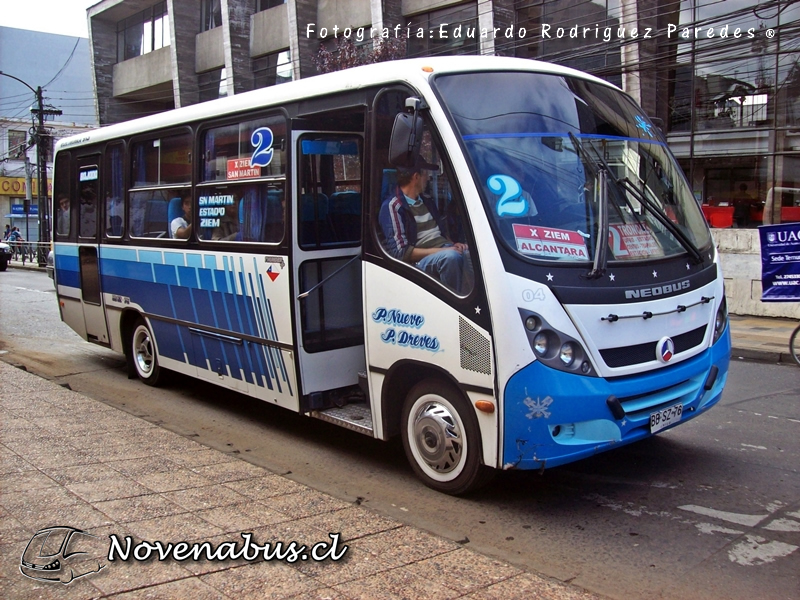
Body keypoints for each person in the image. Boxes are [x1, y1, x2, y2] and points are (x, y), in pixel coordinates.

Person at [379, 163, 473, 294]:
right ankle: (454, 303)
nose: (428, 178)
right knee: (451, 257)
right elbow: (400, 253)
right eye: (425, 174)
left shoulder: (427, 200)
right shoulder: (393, 206)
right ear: (416, 177)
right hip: (419, 262)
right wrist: (444, 250)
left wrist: (453, 244)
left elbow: (439, 232)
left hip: (443, 248)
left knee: (473, 254)